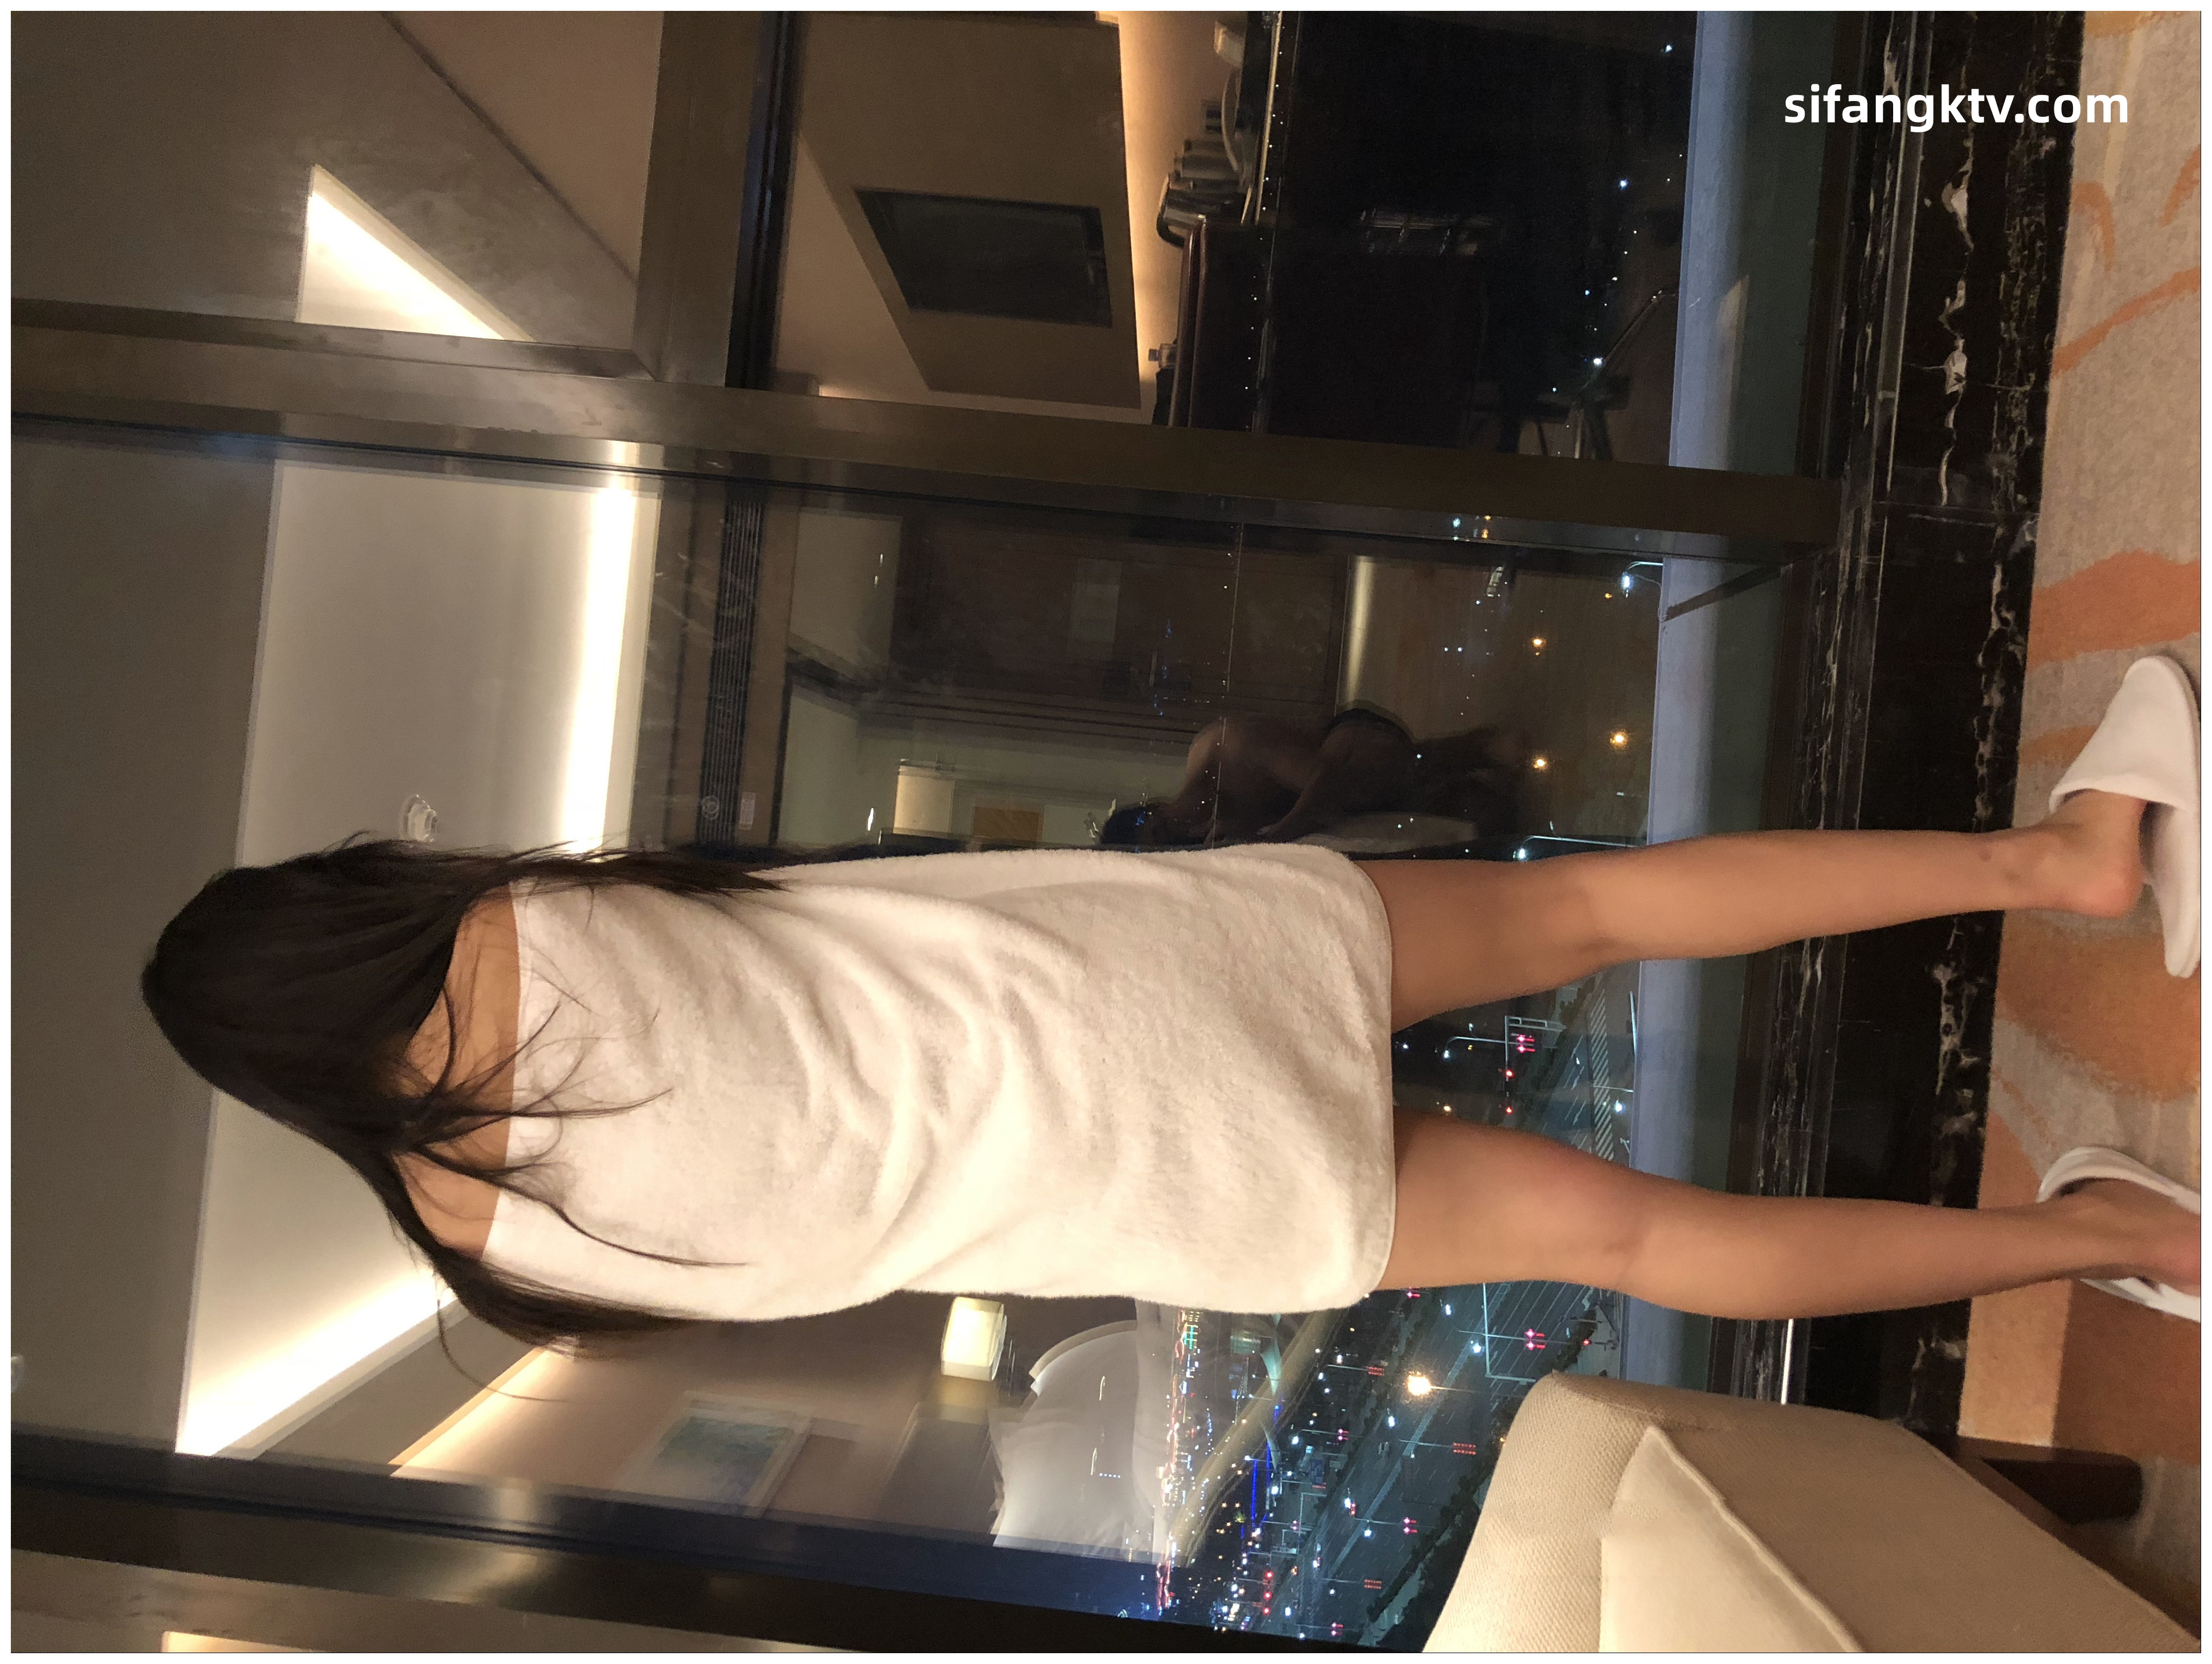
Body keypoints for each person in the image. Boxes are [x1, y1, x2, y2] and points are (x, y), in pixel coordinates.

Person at [141, 658, 2202, 1353]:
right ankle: (2058, 864)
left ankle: (2113, 1241)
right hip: (1140, 975)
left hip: (1167, 1198)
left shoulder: (495, 1263)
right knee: (1583, 909)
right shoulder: (522, 918)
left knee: (1643, 1242)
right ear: (330, 916)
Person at [1099, 706, 1526, 849]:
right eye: (1171, 842)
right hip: (1326, 809)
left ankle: (1473, 750)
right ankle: (1457, 801)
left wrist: (1274, 837)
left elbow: (1327, 781)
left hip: (1351, 745)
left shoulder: (1225, 749)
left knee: (1356, 769)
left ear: (1157, 807)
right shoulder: (1209, 837)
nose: (1180, 831)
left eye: (1165, 827)